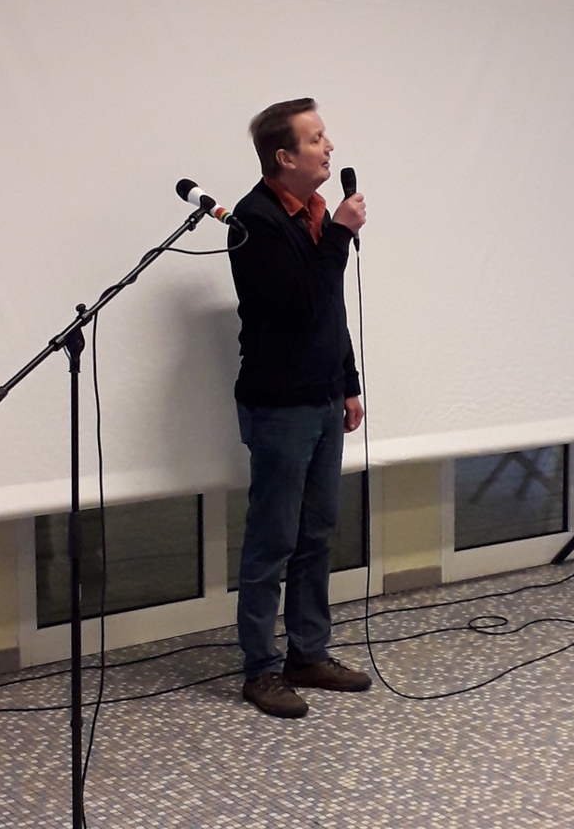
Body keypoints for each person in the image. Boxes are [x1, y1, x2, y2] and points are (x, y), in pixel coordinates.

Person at [228, 97, 372, 718]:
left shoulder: (314, 212)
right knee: (273, 539)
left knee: (317, 533)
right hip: (280, 405)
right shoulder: (254, 221)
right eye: (316, 139)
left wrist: (348, 382)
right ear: (284, 157)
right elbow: (302, 304)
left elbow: (330, 311)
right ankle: (260, 669)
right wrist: (340, 233)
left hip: (322, 397)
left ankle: (307, 654)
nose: (329, 146)